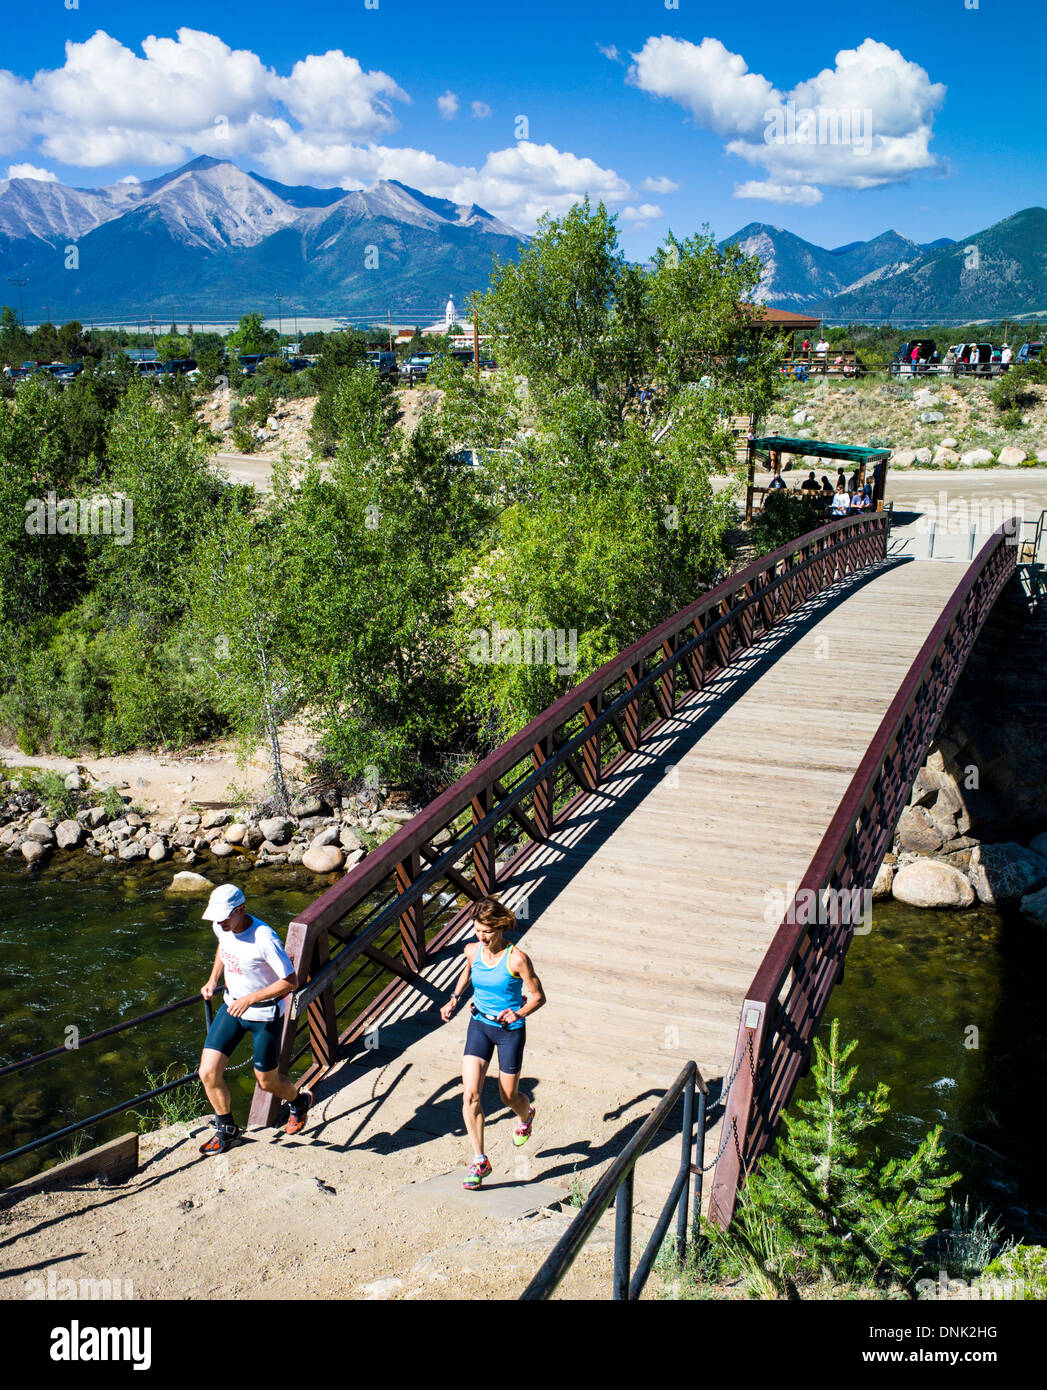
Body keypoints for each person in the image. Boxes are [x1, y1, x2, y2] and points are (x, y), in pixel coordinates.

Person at [441, 897, 546, 1190]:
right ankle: (479, 1160)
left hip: (509, 1030)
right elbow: (468, 970)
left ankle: (525, 1115)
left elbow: (539, 997)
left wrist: (519, 1011)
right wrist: (454, 999)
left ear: (499, 926)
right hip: (479, 1025)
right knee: (470, 1095)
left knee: (507, 1097)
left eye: (486, 931)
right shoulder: (472, 951)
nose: (481, 937)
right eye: (477, 930)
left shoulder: (517, 959)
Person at [197, 884, 311, 1154]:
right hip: (232, 1006)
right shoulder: (221, 927)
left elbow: (291, 981)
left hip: (264, 1014)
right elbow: (223, 949)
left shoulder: (264, 938)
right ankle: (227, 1129)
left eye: (225, 917)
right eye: (217, 917)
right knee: (207, 1073)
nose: (220, 922)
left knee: (266, 1082)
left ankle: (299, 1102)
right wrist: (213, 979)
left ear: (242, 910)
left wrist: (250, 999)